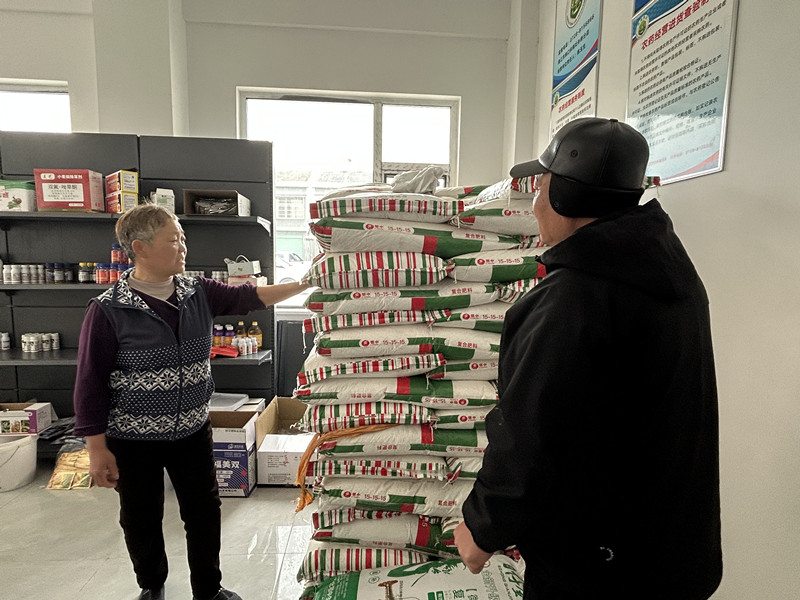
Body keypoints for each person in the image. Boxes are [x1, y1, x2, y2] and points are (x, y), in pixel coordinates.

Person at [454, 117, 722, 600]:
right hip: (671, 551)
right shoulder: (668, 274)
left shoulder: (573, 299)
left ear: (566, 196)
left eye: (542, 186)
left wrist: (482, 526)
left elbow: (531, 429)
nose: (535, 203)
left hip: (597, 567)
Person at [73, 204, 310, 600]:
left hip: (192, 430)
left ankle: (208, 589)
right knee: (141, 516)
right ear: (140, 248)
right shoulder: (108, 310)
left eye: (182, 238)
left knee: (204, 511)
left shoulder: (196, 291)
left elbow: (251, 297)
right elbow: (89, 382)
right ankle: (151, 585)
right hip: (132, 438)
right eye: (173, 240)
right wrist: (97, 449)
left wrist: (304, 284)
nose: (183, 246)